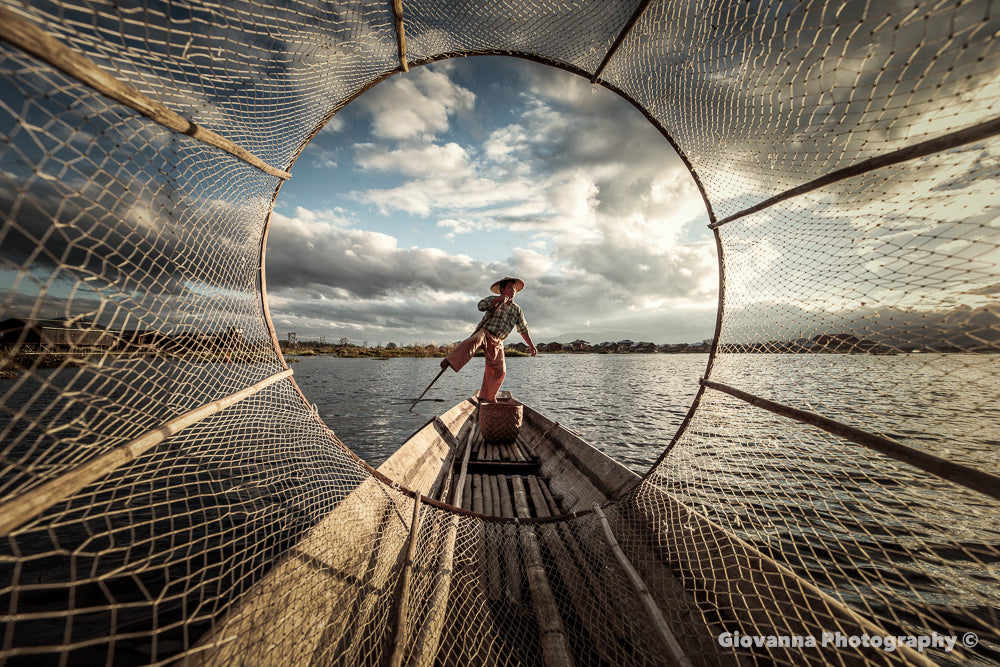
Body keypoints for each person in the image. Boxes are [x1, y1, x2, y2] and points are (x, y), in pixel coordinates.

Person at [441, 276, 537, 402]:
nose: (513, 290)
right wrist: (497, 299)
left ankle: (487, 396)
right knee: (474, 341)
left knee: (500, 371)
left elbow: (523, 329)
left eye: (514, 288)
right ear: (503, 290)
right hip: (485, 333)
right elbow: (480, 306)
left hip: (498, 341)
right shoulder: (494, 300)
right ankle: (450, 361)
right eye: (510, 287)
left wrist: (531, 345)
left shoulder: (517, 310)